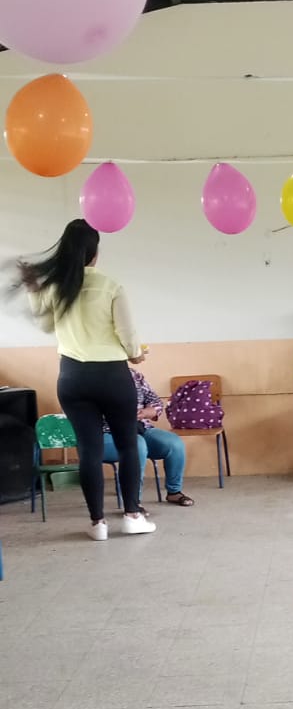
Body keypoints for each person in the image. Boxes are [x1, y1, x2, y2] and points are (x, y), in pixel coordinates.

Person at [15, 219, 155, 541]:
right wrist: (135, 354)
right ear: (95, 253)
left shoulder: (57, 287)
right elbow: (127, 333)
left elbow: (46, 326)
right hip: (112, 375)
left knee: (89, 450)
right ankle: (132, 516)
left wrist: (33, 290)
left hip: (73, 377)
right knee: (128, 445)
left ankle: (97, 524)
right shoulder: (110, 286)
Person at [103, 367, 194, 507]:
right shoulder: (92, 376)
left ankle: (174, 492)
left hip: (140, 427)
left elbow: (155, 401)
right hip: (105, 433)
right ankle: (133, 502)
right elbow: (84, 411)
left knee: (174, 443)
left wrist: (147, 412)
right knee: (136, 445)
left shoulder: (133, 374)